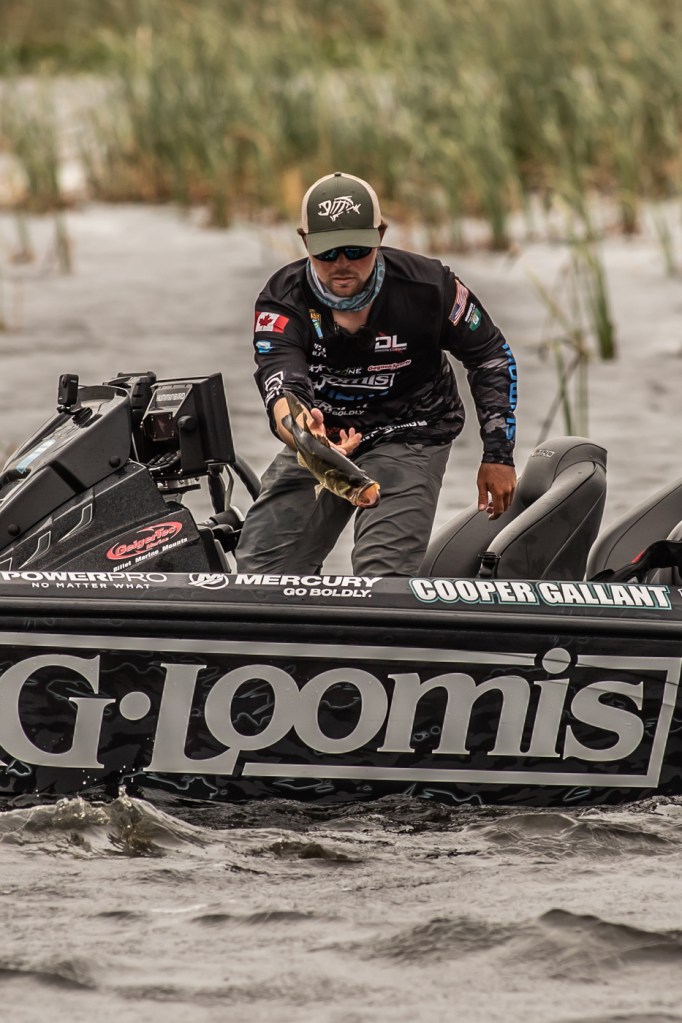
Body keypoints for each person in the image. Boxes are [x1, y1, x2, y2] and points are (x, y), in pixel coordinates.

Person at [235, 171, 517, 576]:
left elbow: (490, 356)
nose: (342, 264)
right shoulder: (283, 299)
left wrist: (498, 456)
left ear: (380, 236)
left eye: (356, 249)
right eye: (327, 252)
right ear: (305, 242)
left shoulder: (430, 287)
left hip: (413, 429)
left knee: (381, 574)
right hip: (323, 436)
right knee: (260, 570)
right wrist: (308, 438)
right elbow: (281, 385)